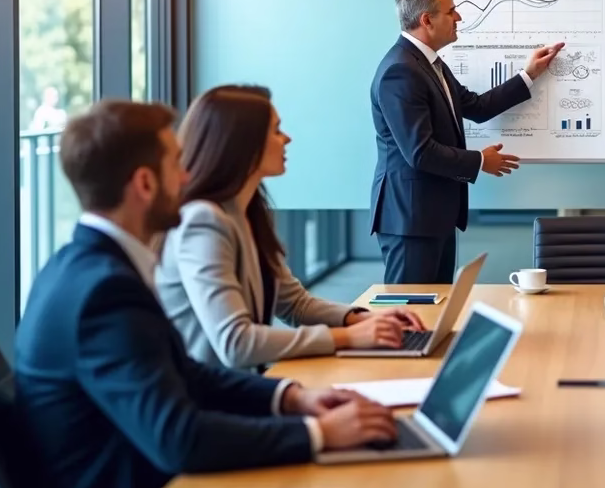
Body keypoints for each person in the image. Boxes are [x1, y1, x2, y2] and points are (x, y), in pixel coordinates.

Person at [14, 100, 398, 488]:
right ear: (145, 184)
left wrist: (293, 399)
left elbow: (188, 373)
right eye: (177, 164)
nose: (186, 177)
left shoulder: (83, 266)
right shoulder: (104, 292)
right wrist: (317, 434)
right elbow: (179, 439)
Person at [157, 85, 425, 372]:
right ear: (242, 143)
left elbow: (294, 305)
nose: (287, 139)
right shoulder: (202, 222)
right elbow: (236, 343)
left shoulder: (248, 211)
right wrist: (348, 337)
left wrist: (364, 319)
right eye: (276, 131)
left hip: (243, 388)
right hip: (209, 401)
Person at [370, 0, 563, 284]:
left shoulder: (429, 63)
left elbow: (476, 106)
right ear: (426, 19)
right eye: (451, 11)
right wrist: (480, 161)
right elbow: (420, 152)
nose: (459, 17)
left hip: (433, 215)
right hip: (411, 218)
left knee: (435, 310)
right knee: (410, 314)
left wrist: (528, 75)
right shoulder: (401, 71)